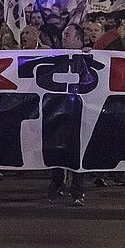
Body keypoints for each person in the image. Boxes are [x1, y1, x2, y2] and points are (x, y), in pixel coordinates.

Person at [47, 23, 90, 206]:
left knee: (78, 152)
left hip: (80, 111)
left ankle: (78, 191)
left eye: (67, 35)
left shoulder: (88, 58)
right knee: (56, 147)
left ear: (79, 40)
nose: (63, 38)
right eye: (63, 34)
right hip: (58, 110)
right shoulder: (56, 57)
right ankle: (57, 184)